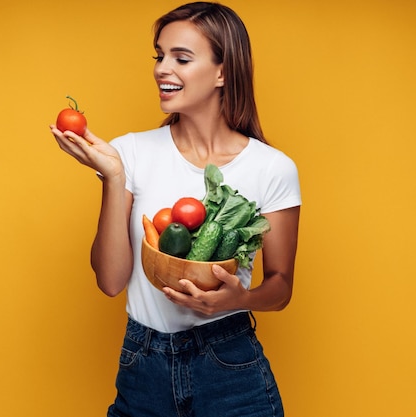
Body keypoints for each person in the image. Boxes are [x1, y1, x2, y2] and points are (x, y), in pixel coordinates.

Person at [50, 2, 301, 416]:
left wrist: (237, 299)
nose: (162, 69)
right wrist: (113, 176)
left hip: (230, 364)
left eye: (181, 58)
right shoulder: (129, 152)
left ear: (223, 72)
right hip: (142, 364)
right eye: (160, 55)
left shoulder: (272, 168)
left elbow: (281, 287)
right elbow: (111, 281)